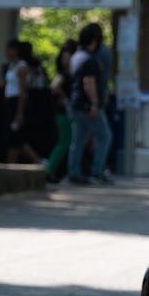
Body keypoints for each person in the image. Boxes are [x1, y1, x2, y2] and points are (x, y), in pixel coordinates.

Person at [67, 23, 113, 184]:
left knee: (78, 141)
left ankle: (74, 172)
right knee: (105, 136)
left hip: (76, 104)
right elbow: (89, 82)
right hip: (88, 106)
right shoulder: (89, 59)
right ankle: (97, 170)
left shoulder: (76, 56)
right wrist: (94, 103)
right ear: (95, 39)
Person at [1, 40, 42, 164]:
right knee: (15, 141)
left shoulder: (22, 67)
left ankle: (39, 165)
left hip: (17, 104)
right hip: (9, 104)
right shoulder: (11, 65)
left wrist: (19, 113)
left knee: (16, 141)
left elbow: (22, 92)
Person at [45, 40, 77, 183]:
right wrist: (65, 98)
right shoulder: (63, 74)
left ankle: (55, 171)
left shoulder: (71, 74)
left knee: (66, 142)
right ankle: (49, 170)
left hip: (65, 110)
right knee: (64, 142)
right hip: (62, 111)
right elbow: (54, 86)